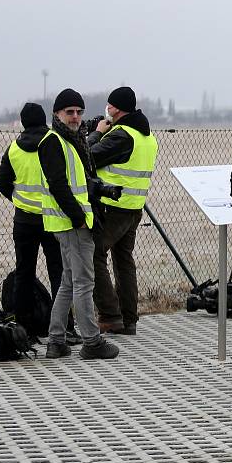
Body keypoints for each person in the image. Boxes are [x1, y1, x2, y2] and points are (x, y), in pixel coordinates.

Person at [38, 88, 119, 360]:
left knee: (69, 282)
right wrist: (80, 219)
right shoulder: (54, 141)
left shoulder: (72, 139)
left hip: (70, 222)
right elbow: (59, 187)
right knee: (84, 282)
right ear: (57, 114)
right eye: (69, 112)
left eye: (78, 112)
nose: (75, 117)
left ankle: (56, 341)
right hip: (73, 223)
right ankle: (91, 342)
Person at [0, 103, 80, 344]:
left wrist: (19, 200)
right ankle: (64, 327)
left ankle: (24, 329)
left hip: (23, 220)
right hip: (52, 218)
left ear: (22, 122)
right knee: (59, 273)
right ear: (45, 119)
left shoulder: (13, 149)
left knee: (24, 273)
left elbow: (1, 182)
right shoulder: (53, 142)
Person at [88, 87, 158, 335]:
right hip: (133, 207)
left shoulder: (122, 136)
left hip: (112, 207)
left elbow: (87, 158)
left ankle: (110, 316)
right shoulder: (146, 136)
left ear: (116, 108)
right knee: (123, 261)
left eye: (109, 105)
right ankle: (129, 319)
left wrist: (95, 135)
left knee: (93, 255)